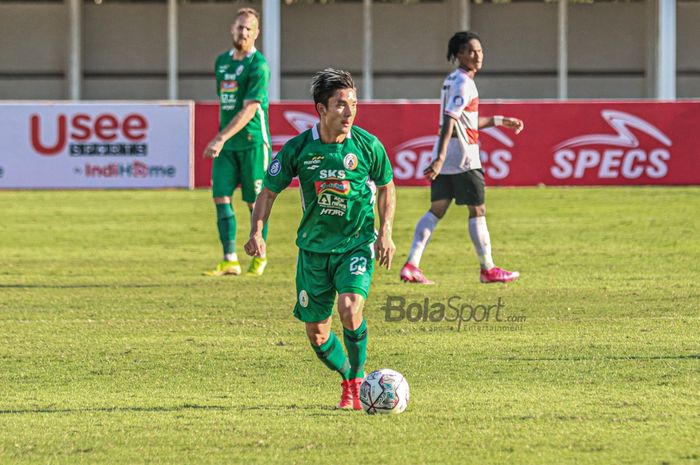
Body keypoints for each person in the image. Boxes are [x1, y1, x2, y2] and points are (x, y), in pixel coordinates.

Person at [245, 68, 396, 410]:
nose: (349, 112)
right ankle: (347, 376)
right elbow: (267, 193)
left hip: (356, 244)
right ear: (321, 109)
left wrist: (385, 232)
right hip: (313, 252)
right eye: (341, 105)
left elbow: (387, 186)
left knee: (349, 308)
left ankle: (358, 383)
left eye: (353, 104)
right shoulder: (299, 149)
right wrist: (256, 232)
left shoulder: (368, 145)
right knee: (317, 334)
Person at [400, 31, 524, 285]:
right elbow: (451, 119)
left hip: (447, 155)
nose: (477, 55)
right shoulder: (464, 83)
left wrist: (501, 121)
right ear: (459, 55)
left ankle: (412, 264)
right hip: (463, 156)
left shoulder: (453, 79)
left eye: (479, 50)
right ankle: (487, 268)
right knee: (477, 209)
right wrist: (442, 157)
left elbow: (464, 119)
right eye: (471, 51)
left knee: (436, 210)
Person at [203, 7, 271, 277]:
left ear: (256, 33)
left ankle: (259, 255)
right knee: (220, 197)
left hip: (253, 142)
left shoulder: (258, 65)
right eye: (239, 27)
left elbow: (251, 108)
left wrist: (220, 136)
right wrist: (223, 138)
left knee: (255, 203)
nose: (242, 32)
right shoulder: (222, 62)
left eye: (248, 28)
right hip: (227, 146)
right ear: (231, 29)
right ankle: (230, 259)